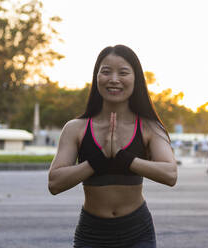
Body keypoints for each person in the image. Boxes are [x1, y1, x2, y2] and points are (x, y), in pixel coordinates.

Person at [48, 45, 178, 248]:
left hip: (137, 231)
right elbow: (55, 183)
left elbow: (170, 174)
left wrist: (122, 157)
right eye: (106, 71)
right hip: (92, 233)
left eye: (123, 72)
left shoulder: (149, 127)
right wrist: (98, 160)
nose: (114, 79)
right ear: (96, 77)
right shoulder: (76, 128)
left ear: (136, 79)